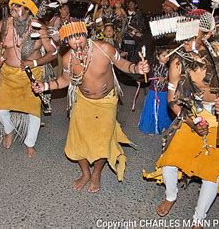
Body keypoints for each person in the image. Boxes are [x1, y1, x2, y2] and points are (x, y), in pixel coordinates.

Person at [144, 9, 219, 228]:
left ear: (207, 33)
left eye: (193, 36)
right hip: (192, 114)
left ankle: (199, 216)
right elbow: (172, 101)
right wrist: (190, 120)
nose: (187, 44)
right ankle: (171, 196)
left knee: (212, 172)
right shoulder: (178, 62)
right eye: (183, 38)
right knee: (169, 162)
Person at [32, 20, 149, 192]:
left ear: (85, 34)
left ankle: (96, 173)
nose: (77, 41)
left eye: (79, 35)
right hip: (82, 102)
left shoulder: (104, 48)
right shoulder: (67, 60)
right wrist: (45, 86)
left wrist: (136, 67)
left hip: (106, 102)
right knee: (78, 139)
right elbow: (66, 80)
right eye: (71, 38)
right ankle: (86, 173)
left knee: (101, 141)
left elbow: (122, 64)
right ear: (66, 41)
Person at [0, 0, 57, 157]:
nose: (12, 8)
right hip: (8, 74)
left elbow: (53, 52)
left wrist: (34, 62)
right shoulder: (3, 25)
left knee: (33, 111)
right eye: (12, 5)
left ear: (27, 10)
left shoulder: (39, 27)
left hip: (31, 74)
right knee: (1, 109)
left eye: (17, 6)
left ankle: (30, 143)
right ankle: (9, 130)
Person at [138, 47, 171, 134]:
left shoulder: (170, 69)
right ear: (157, 57)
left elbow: (172, 82)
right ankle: (150, 127)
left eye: (168, 56)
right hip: (153, 91)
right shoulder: (152, 67)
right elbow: (147, 76)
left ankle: (162, 126)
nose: (166, 57)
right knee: (151, 109)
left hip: (164, 92)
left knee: (163, 109)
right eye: (164, 55)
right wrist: (141, 78)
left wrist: (165, 80)